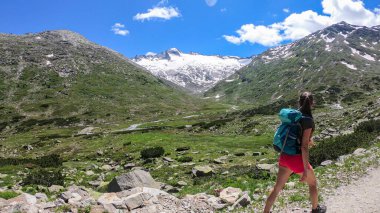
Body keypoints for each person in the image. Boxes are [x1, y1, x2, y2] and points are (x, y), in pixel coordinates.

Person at [263, 92, 326, 213]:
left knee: (277, 188)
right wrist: (305, 169)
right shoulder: (308, 120)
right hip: (296, 158)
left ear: (299, 102)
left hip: (284, 156)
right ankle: (315, 209)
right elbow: (304, 147)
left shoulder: (293, 116)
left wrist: (309, 140)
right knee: (312, 183)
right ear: (312, 103)